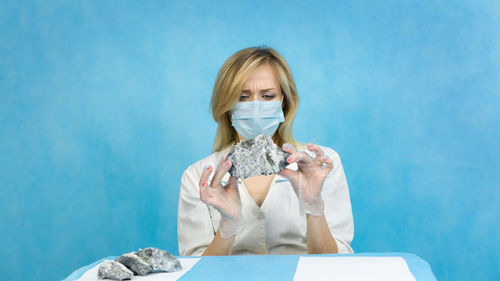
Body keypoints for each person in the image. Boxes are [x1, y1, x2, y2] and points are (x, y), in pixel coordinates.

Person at [177, 47, 354, 256]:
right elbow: (195, 271)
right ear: (227, 108)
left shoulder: (322, 165)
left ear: (284, 103)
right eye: (243, 97)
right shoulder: (199, 177)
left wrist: (313, 208)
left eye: (268, 96)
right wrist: (228, 226)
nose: (255, 107)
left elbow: (335, 265)